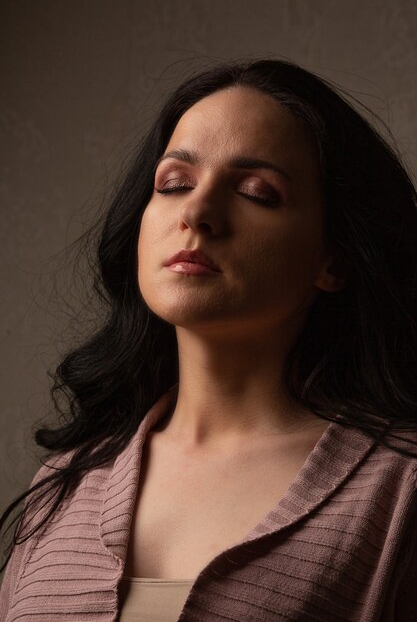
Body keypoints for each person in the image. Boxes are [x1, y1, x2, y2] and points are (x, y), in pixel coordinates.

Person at [1, 58, 417, 622]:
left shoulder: (398, 490)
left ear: (334, 258)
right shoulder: (63, 485)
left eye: (256, 193)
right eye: (174, 184)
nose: (197, 213)